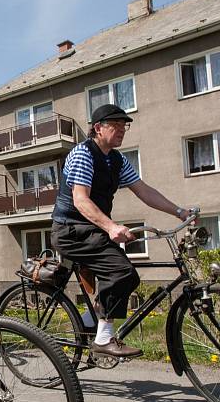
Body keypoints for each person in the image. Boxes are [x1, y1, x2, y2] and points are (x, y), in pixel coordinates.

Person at [51, 104, 192, 358]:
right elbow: (81, 200)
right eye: (115, 125)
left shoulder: (116, 159)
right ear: (97, 128)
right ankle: (104, 339)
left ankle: (89, 323)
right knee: (122, 272)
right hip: (70, 230)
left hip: (92, 231)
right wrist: (112, 226)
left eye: (124, 125)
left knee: (123, 277)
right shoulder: (83, 154)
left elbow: (144, 191)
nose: (122, 130)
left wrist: (179, 212)